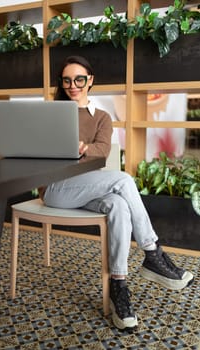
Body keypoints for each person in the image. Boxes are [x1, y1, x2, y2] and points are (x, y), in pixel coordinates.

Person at [39, 55, 193, 331]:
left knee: (119, 206)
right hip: (55, 188)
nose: (72, 85)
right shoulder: (51, 113)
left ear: (90, 81)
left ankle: (118, 286)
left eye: (79, 79)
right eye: (66, 80)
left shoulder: (101, 117)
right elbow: (39, 152)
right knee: (123, 180)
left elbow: (102, 151)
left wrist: (83, 148)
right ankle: (152, 252)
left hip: (86, 187)